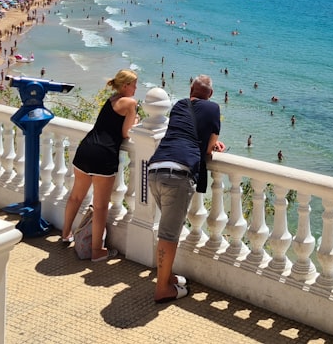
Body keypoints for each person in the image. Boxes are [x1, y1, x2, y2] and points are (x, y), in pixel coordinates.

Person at [147, 74, 224, 304]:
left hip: (155, 169)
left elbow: (184, 132)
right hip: (178, 174)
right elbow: (209, 147)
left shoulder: (180, 104)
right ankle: (162, 289)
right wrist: (216, 145)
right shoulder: (213, 108)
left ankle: (167, 276)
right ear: (210, 94)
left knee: (169, 228)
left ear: (191, 89)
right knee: (169, 235)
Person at [60, 69, 140, 261]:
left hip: (86, 149)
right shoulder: (130, 103)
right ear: (126, 85)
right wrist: (136, 120)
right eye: (134, 84)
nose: (136, 88)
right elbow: (125, 133)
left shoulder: (112, 98)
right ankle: (97, 251)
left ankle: (65, 235)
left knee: (76, 196)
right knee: (101, 205)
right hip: (104, 154)